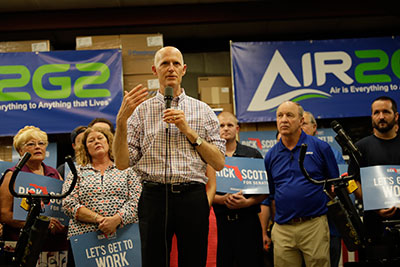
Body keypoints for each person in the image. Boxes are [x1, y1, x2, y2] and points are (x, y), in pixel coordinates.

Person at [113, 46, 226, 267]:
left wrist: (188, 130)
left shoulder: (203, 110)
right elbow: (121, 163)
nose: (171, 68)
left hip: (192, 196)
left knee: (194, 261)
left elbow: (219, 162)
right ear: (155, 70)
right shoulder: (140, 111)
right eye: (165, 64)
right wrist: (120, 123)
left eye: (175, 63)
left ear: (184, 70)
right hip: (153, 197)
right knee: (153, 261)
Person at [264, 101, 339, 267]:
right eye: (280, 116)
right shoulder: (270, 156)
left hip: (314, 225)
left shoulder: (321, 148)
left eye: (289, 115)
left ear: (301, 121)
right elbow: (271, 194)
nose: (284, 120)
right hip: (283, 228)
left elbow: (334, 187)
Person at [0, 126, 68, 266]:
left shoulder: (54, 174)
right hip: (21, 246)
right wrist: (40, 225)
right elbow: (4, 214)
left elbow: (63, 209)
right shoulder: (12, 175)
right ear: (20, 151)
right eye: (31, 144)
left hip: (54, 247)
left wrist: (61, 223)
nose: (38, 147)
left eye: (41, 143)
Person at [62, 127, 141, 238]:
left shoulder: (126, 170)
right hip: (84, 238)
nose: (96, 141)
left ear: (109, 142)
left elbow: (137, 201)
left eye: (100, 138)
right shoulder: (77, 172)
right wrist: (100, 220)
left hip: (123, 237)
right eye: (91, 140)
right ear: (85, 148)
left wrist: (116, 220)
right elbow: (68, 203)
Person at [348, 96, 400, 265]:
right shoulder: (360, 147)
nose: (381, 116)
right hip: (374, 225)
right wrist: (373, 204)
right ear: (371, 117)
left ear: (396, 116)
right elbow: (351, 182)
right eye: (376, 112)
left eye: (386, 111)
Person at [213, 111, 265, 267]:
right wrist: (221, 199)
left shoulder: (252, 154)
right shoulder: (209, 156)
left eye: (230, 125)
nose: (226, 128)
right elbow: (203, 190)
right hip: (220, 224)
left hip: (248, 223)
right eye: (221, 125)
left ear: (238, 128)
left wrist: (247, 203)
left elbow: (264, 191)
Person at [302, 111, 344, 267]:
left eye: (304, 123)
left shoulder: (331, 153)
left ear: (314, 127)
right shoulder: (287, 153)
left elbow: (339, 190)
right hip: (297, 228)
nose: (300, 126)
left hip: (329, 228)